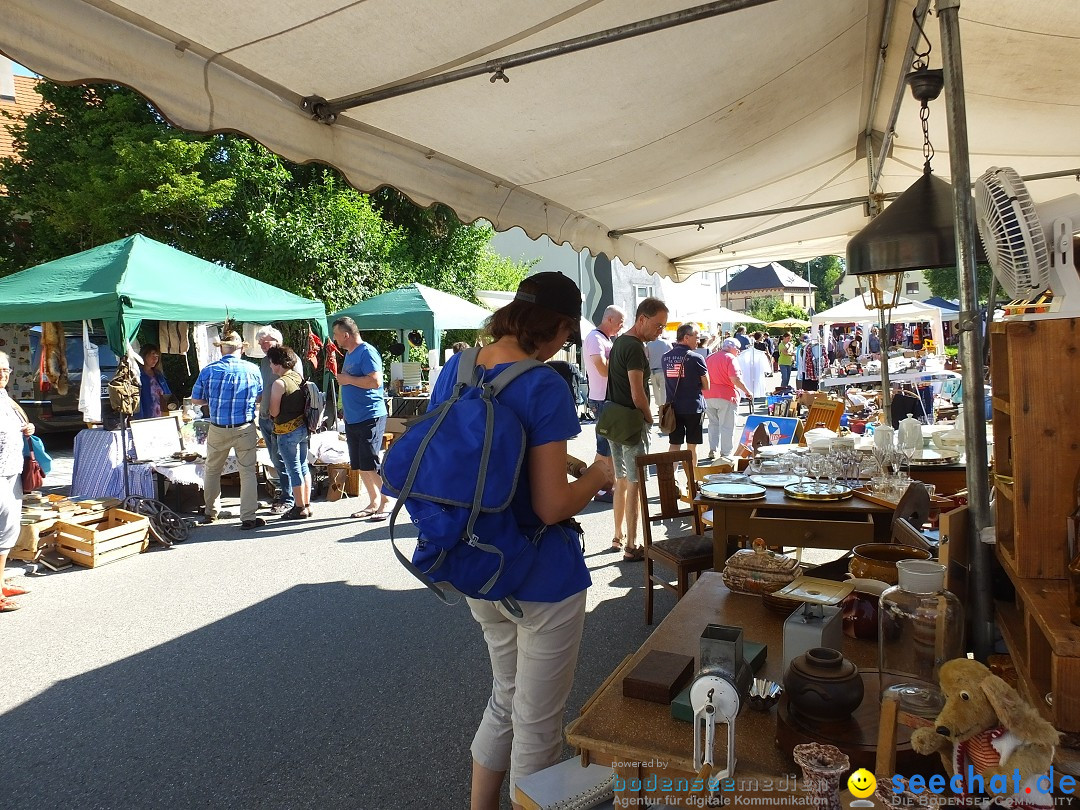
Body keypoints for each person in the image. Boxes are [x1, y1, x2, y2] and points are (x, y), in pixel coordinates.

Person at [432, 273, 613, 810]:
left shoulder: (459, 367)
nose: (563, 344)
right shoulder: (543, 383)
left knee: (505, 701)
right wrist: (599, 477)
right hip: (539, 574)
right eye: (565, 333)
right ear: (557, 325)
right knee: (538, 726)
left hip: (473, 560)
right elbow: (551, 505)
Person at [605, 297, 668, 560]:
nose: (660, 331)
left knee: (621, 479)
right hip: (632, 422)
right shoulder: (634, 346)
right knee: (635, 481)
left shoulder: (619, 341)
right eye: (658, 325)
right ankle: (632, 544)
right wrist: (649, 418)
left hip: (614, 420)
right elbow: (637, 392)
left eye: (663, 327)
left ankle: (618, 535)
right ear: (642, 319)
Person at [190, 332, 265, 530]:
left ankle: (210, 512)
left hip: (218, 428)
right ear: (242, 348)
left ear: (221, 348)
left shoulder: (209, 370)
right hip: (245, 427)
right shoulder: (253, 369)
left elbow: (196, 399)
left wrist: (214, 401)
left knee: (213, 470)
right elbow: (260, 398)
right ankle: (248, 517)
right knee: (247, 472)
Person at [332, 316, 391, 521]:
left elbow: (375, 381)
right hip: (353, 417)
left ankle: (387, 500)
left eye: (337, 335)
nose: (335, 339)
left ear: (346, 335)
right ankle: (374, 501)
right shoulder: (350, 353)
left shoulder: (367, 352)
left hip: (370, 415)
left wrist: (347, 379)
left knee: (370, 461)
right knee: (359, 463)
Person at [0, 352, 33, 612]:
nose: (3, 374)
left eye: (6, 370)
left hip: (12, 470)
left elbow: (18, 425)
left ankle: (0, 584)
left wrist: (27, 428)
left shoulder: (6, 399)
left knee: (8, 529)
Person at [266, 345, 311, 520]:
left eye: (271, 363)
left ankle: (299, 507)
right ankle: (306, 504)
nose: (270, 366)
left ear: (278, 363)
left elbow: (274, 412)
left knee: (293, 470)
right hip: (302, 428)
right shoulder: (297, 377)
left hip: (287, 431)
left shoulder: (279, 383)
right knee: (303, 466)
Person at [255, 326, 293, 516]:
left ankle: (289, 498)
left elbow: (295, 387)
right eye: (260, 342)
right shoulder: (264, 362)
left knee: (284, 459)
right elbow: (267, 386)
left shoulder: (290, 360)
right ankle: (286, 494)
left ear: (277, 340)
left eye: (265, 341)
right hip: (264, 417)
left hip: (281, 418)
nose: (261, 345)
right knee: (275, 460)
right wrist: (259, 397)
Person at [582, 305, 625, 464]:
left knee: (609, 449)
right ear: (609, 319)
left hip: (606, 399)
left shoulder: (604, 339)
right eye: (620, 322)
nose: (622, 326)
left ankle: (608, 485)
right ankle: (598, 485)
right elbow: (602, 369)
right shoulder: (595, 338)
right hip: (602, 400)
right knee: (605, 449)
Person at [662, 323, 709, 460]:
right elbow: (707, 385)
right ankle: (691, 479)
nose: (698, 341)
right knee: (692, 446)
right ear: (686, 337)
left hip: (673, 407)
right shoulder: (696, 358)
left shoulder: (665, 357)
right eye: (697, 337)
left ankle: (672, 478)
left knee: (674, 444)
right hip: (693, 407)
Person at [702, 338, 753, 459]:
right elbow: (735, 379)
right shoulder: (730, 358)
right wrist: (747, 391)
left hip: (708, 395)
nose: (738, 351)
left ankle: (713, 449)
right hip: (726, 395)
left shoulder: (710, 357)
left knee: (713, 424)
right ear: (731, 347)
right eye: (737, 348)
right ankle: (726, 453)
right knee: (727, 425)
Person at [136, 343, 174, 420]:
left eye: (157, 356)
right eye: (152, 355)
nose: (155, 359)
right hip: (146, 416)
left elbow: (167, 395)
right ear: (144, 355)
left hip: (161, 415)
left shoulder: (158, 375)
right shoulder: (138, 374)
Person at [645, 333, 672, 410]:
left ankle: (659, 406)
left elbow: (646, 356)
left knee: (655, 389)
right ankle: (663, 406)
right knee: (663, 389)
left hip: (652, 371)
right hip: (663, 370)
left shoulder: (649, 344)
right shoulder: (666, 343)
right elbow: (672, 353)